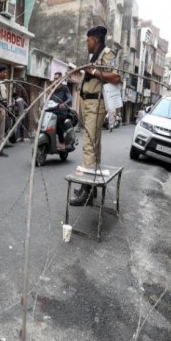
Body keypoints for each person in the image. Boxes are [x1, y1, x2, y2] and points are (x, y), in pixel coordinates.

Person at [69, 25, 121, 206]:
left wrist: (93, 71)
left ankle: (87, 189)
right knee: (94, 145)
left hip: (96, 103)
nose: (86, 43)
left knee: (89, 146)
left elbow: (116, 77)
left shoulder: (107, 54)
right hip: (88, 102)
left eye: (88, 40)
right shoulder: (96, 56)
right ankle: (92, 186)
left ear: (95, 40)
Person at [50, 72, 73, 150]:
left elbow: (70, 98)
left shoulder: (64, 88)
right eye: (54, 78)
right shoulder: (52, 89)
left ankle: (62, 142)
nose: (55, 80)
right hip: (53, 110)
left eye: (57, 78)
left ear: (61, 79)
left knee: (57, 121)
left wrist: (64, 104)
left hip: (62, 111)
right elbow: (49, 100)